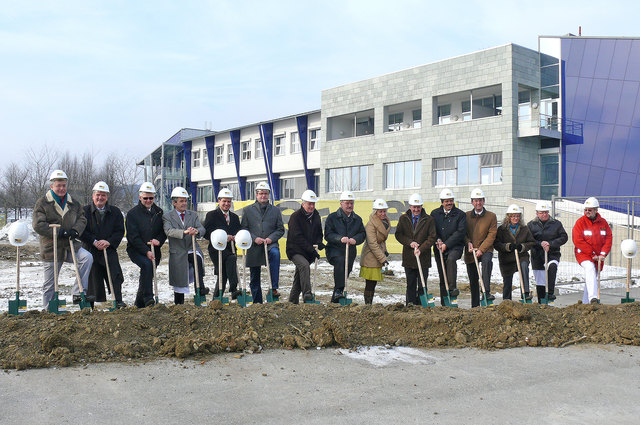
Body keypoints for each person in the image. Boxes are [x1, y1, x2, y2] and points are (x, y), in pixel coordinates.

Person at [33, 169, 94, 307]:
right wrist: (58, 231)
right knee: (50, 283)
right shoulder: (43, 203)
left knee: (87, 257)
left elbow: (82, 219)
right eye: (58, 185)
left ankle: (79, 293)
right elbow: (38, 224)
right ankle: (48, 309)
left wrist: (75, 230)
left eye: (63, 185)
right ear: (52, 186)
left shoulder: (74, 203)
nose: (61, 188)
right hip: (51, 248)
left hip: (70, 245)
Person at [80, 181, 126, 308]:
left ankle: (117, 300)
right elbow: (81, 231)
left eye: (103, 195)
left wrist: (109, 242)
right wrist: (94, 241)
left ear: (107, 197)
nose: (100, 198)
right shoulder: (84, 211)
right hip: (90, 248)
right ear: (93, 196)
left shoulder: (115, 212)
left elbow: (120, 231)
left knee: (115, 272)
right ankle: (90, 303)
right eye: (98, 195)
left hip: (108, 248)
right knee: (92, 275)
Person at [240, 182, 284, 303]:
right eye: (261, 193)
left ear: (268, 194)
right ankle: (257, 301)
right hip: (254, 246)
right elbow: (244, 228)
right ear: (256, 194)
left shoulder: (275, 210)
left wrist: (271, 238)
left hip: (270, 244)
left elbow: (280, 229)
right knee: (254, 274)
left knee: (275, 254)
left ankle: (273, 288)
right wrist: (254, 238)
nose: (263, 196)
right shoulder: (248, 210)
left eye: (265, 193)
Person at [163, 186, 208, 304]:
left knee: (197, 260)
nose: (184, 203)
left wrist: (196, 231)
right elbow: (168, 231)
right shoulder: (167, 216)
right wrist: (184, 232)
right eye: (181, 201)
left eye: (185, 200)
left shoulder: (193, 215)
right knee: (179, 280)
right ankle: (179, 305)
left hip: (191, 247)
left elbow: (201, 228)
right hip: (177, 251)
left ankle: (200, 288)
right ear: (174, 203)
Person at [126, 182, 166, 308]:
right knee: (147, 265)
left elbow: (163, 232)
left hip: (155, 250)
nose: (148, 201)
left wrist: (159, 241)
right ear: (140, 197)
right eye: (145, 198)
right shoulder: (132, 214)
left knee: (148, 273)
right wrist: (145, 251)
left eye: (151, 198)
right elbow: (133, 237)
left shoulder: (159, 212)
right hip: (137, 250)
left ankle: (139, 303)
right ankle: (149, 297)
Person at [395, 193, 437, 306]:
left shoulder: (429, 220)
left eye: (418, 207)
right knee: (410, 283)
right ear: (410, 207)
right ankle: (410, 304)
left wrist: (421, 248)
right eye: (414, 207)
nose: (416, 209)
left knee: (422, 284)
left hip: (423, 258)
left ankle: (422, 305)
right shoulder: (403, 218)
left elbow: (432, 237)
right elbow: (399, 235)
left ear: (422, 206)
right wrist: (410, 242)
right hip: (409, 257)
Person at [324, 191, 366, 302]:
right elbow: (328, 235)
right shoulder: (332, 218)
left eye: (351, 203)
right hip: (334, 250)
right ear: (341, 203)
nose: (349, 206)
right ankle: (338, 291)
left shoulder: (357, 219)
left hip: (350, 251)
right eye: (347, 203)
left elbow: (362, 234)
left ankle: (336, 298)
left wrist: (355, 240)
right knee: (340, 262)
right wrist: (340, 238)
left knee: (345, 272)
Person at [286, 190, 325, 303]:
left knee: (299, 278)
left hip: (308, 251)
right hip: (295, 250)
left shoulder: (316, 216)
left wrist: (319, 242)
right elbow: (298, 238)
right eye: (309, 203)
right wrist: (311, 250)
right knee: (304, 266)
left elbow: (318, 232)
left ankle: (292, 302)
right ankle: (307, 294)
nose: (311, 206)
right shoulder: (295, 217)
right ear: (303, 204)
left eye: (313, 204)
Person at [572, 197, 612, 304]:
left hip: (598, 256)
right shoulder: (580, 222)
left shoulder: (603, 223)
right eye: (586, 210)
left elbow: (608, 239)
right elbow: (578, 241)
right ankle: (593, 298)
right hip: (583, 254)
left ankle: (586, 303)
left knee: (592, 277)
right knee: (589, 268)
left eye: (589, 210)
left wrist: (603, 254)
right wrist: (592, 253)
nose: (587, 212)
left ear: (596, 210)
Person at [203, 188, 241, 299]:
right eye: (224, 201)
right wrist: (223, 237)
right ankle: (233, 288)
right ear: (219, 201)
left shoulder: (234, 217)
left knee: (223, 275)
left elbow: (238, 230)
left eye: (229, 201)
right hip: (217, 249)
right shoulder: (211, 215)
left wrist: (236, 236)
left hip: (230, 248)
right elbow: (207, 233)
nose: (226, 204)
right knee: (231, 259)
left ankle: (216, 298)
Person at [527, 200, 568, 303]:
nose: (544, 214)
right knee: (540, 280)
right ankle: (541, 302)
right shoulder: (531, 225)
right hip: (537, 255)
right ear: (537, 213)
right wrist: (540, 243)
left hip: (552, 254)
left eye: (546, 212)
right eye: (542, 212)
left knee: (552, 267)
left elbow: (564, 237)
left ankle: (550, 293)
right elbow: (529, 240)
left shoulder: (556, 224)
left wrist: (551, 243)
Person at [431, 188, 465, 305]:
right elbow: (432, 230)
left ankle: (452, 289)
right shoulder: (435, 214)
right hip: (439, 248)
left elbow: (460, 232)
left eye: (451, 200)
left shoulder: (460, 215)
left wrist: (447, 244)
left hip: (455, 247)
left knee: (451, 260)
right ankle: (444, 303)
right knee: (442, 274)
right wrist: (437, 240)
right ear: (442, 202)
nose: (449, 203)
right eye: (446, 201)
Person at [494, 204, 536, 301]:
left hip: (521, 256)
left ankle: (525, 293)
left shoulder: (524, 229)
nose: (515, 218)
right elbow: (497, 243)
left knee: (524, 266)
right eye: (513, 216)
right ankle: (507, 300)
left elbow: (531, 242)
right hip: (507, 258)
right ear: (508, 217)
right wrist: (507, 246)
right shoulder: (502, 229)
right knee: (507, 280)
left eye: (517, 216)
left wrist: (522, 246)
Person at [464, 188, 497, 307]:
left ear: (484, 201)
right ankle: (475, 306)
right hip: (470, 251)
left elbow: (492, 234)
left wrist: (482, 249)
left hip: (486, 249)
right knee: (473, 279)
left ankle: (486, 292)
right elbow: (463, 233)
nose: (478, 203)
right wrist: (468, 242)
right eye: (475, 201)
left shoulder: (491, 216)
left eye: (480, 200)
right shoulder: (466, 216)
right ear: (472, 202)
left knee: (487, 263)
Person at [359, 199, 391, 304]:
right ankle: (368, 305)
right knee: (370, 282)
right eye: (380, 211)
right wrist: (383, 258)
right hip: (370, 256)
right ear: (375, 211)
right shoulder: (371, 224)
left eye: (384, 211)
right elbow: (372, 244)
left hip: (377, 254)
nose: (383, 213)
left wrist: (384, 251)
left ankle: (369, 304)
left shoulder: (385, 222)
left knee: (374, 282)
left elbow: (382, 240)